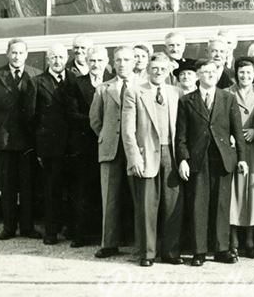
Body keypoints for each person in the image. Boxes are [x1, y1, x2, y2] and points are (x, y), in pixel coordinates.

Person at [176, 60, 248, 266]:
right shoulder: (187, 100)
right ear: (197, 75)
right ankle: (199, 251)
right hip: (198, 159)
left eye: (213, 71)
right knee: (199, 204)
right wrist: (183, 159)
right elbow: (180, 136)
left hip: (222, 158)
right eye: (205, 72)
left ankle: (221, 249)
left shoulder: (228, 98)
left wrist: (242, 159)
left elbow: (238, 132)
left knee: (222, 204)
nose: (210, 75)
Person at [122, 52, 183, 266]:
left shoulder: (176, 92)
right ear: (148, 69)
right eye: (155, 68)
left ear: (168, 71)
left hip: (171, 155)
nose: (158, 72)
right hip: (146, 155)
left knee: (173, 206)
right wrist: (134, 158)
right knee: (147, 207)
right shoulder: (134, 92)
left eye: (163, 69)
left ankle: (170, 252)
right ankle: (147, 254)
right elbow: (128, 131)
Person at [0, 38, 40, 241]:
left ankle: (27, 227)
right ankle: (8, 228)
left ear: (26, 54)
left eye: (21, 52)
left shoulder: (35, 74)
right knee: (7, 186)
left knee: (28, 186)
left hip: (28, 141)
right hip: (4, 140)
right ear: (7, 54)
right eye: (13, 52)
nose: (17, 56)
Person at [89, 45, 136, 259]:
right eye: (118, 60)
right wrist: (107, 136)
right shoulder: (103, 88)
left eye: (127, 60)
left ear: (134, 62)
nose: (122, 64)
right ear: (113, 63)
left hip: (136, 149)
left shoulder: (142, 86)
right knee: (109, 198)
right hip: (110, 149)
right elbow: (95, 119)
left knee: (139, 197)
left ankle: (142, 243)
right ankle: (109, 243)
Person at [62, 45, 110, 248]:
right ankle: (81, 234)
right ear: (86, 62)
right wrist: (97, 123)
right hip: (84, 144)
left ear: (106, 62)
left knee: (106, 191)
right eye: (92, 61)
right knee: (83, 190)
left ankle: (105, 235)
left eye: (100, 61)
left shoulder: (112, 83)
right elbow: (71, 113)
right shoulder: (76, 83)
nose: (96, 65)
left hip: (107, 143)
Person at [26, 42, 69, 245]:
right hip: (50, 147)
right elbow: (30, 117)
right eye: (53, 57)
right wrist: (38, 148)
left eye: (61, 57)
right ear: (48, 59)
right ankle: (50, 232)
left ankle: (71, 229)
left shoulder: (74, 80)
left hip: (72, 145)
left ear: (66, 59)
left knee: (72, 189)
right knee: (51, 190)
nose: (57, 61)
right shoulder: (37, 82)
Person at [228, 57, 254, 259]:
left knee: (251, 192)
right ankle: (233, 240)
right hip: (233, 149)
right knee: (233, 193)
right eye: (242, 72)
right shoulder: (227, 93)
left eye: (249, 72)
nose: (245, 76)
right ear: (236, 73)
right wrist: (231, 134)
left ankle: (250, 241)